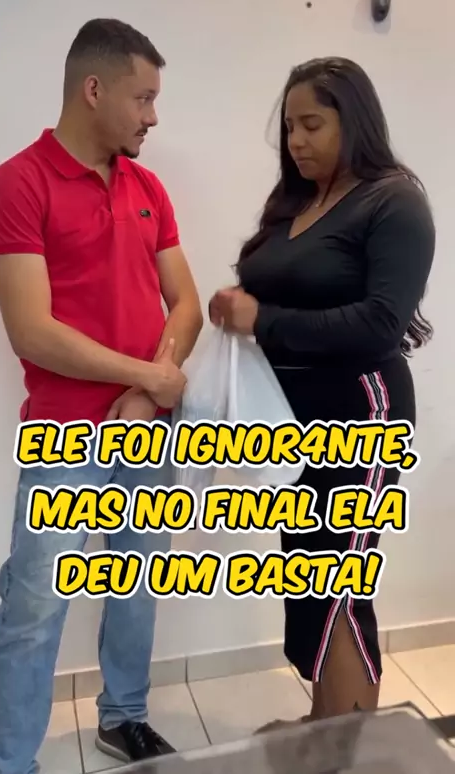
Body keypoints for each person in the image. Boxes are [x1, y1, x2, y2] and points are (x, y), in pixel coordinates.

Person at [0, 18, 203, 773]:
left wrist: (149, 387)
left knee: (137, 581)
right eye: (143, 98)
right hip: (65, 434)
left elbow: (185, 304)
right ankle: (8, 762)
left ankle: (124, 717)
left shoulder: (147, 187)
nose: (153, 116)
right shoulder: (17, 182)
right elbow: (32, 330)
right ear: (94, 89)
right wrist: (148, 376)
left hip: (147, 427)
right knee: (37, 600)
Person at [209, 57, 435, 725]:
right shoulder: (299, 203)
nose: (296, 140)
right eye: (289, 127)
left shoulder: (393, 201)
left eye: (311, 124)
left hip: (362, 412)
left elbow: (381, 322)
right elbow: (282, 292)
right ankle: (323, 727)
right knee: (309, 577)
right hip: (294, 418)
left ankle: (350, 750)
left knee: (339, 584)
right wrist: (239, 305)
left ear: (353, 120)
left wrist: (262, 319)